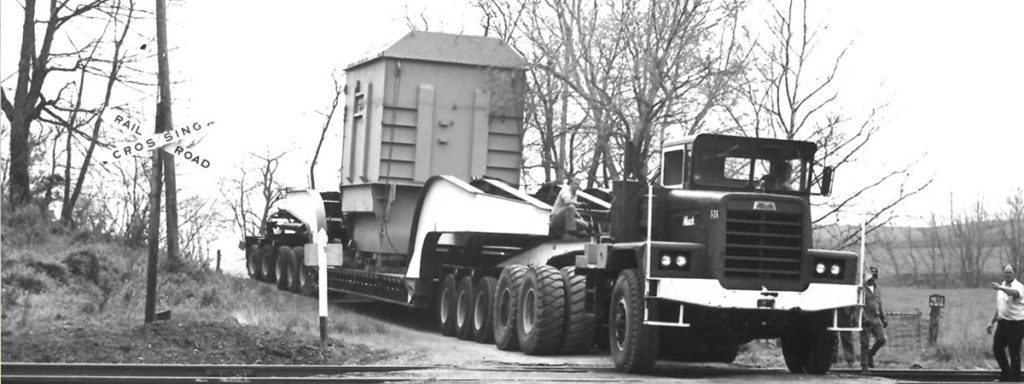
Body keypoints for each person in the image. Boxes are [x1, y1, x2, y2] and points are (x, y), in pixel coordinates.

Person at [988, 264, 1024, 382]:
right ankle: (1006, 375)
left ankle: (1016, 379)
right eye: (1006, 272)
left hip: (1016, 324)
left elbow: (1014, 293)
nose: (1008, 274)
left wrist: (1001, 288)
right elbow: (1000, 307)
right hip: (1002, 323)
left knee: (1014, 353)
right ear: (1003, 273)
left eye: (1010, 272)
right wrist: (992, 322)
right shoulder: (1002, 286)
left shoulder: (1018, 286)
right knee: (997, 349)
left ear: (1014, 274)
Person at [861, 266, 887, 371]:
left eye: (875, 277)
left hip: (876, 318)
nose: (873, 279)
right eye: (871, 277)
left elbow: (880, 304)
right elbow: (859, 306)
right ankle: (864, 366)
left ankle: (870, 355)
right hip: (866, 319)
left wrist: (883, 317)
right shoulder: (861, 288)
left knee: (882, 339)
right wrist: (864, 318)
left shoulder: (877, 288)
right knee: (865, 343)